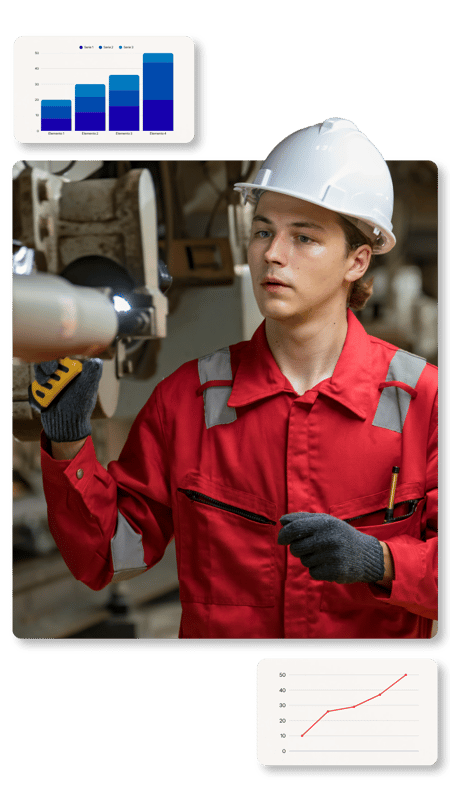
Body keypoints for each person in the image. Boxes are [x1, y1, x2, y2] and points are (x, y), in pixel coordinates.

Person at [33, 118, 438, 640]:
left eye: (304, 238)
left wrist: (380, 561)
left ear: (357, 261)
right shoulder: (188, 399)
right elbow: (107, 556)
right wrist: (68, 440)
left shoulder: (423, 401)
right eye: (264, 230)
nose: (272, 253)